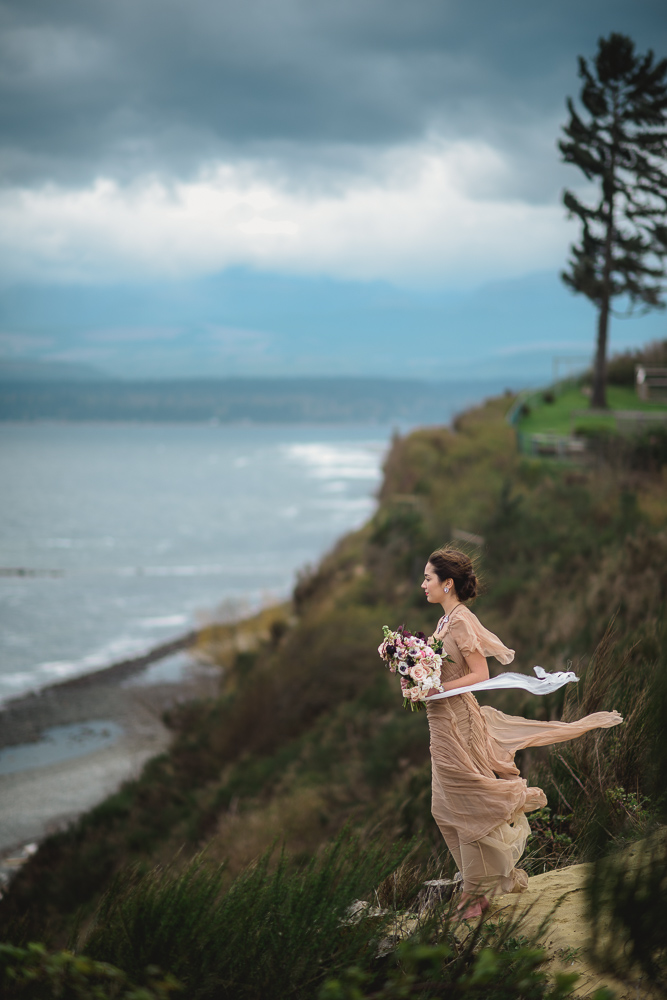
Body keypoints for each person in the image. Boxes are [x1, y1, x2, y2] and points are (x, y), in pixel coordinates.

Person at [422, 546, 622, 919]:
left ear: (447, 583)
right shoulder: (444, 622)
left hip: (458, 722)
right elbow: (444, 672)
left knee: (468, 806)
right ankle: (476, 883)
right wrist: (417, 681)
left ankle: (475, 895)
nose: (423, 585)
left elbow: (480, 675)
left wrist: (436, 689)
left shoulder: (462, 621)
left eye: (428, 578)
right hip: (441, 722)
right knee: (443, 808)